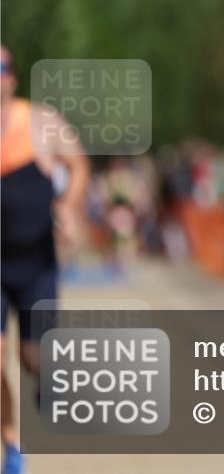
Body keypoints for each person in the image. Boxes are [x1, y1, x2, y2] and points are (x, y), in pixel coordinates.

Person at [0, 45, 90, 474]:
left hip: (35, 261)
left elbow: (78, 165)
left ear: (12, 77)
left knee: (32, 356)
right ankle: (12, 446)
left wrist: (69, 207)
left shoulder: (40, 122)